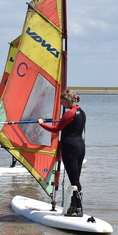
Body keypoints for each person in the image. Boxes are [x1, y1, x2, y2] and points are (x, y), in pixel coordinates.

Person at [38, 89, 86, 217]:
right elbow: (70, 126)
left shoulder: (69, 113)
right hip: (81, 146)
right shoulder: (81, 112)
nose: (60, 103)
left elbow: (56, 129)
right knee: (76, 178)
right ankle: (74, 206)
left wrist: (41, 124)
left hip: (70, 148)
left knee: (74, 179)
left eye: (62, 100)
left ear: (68, 100)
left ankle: (78, 208)